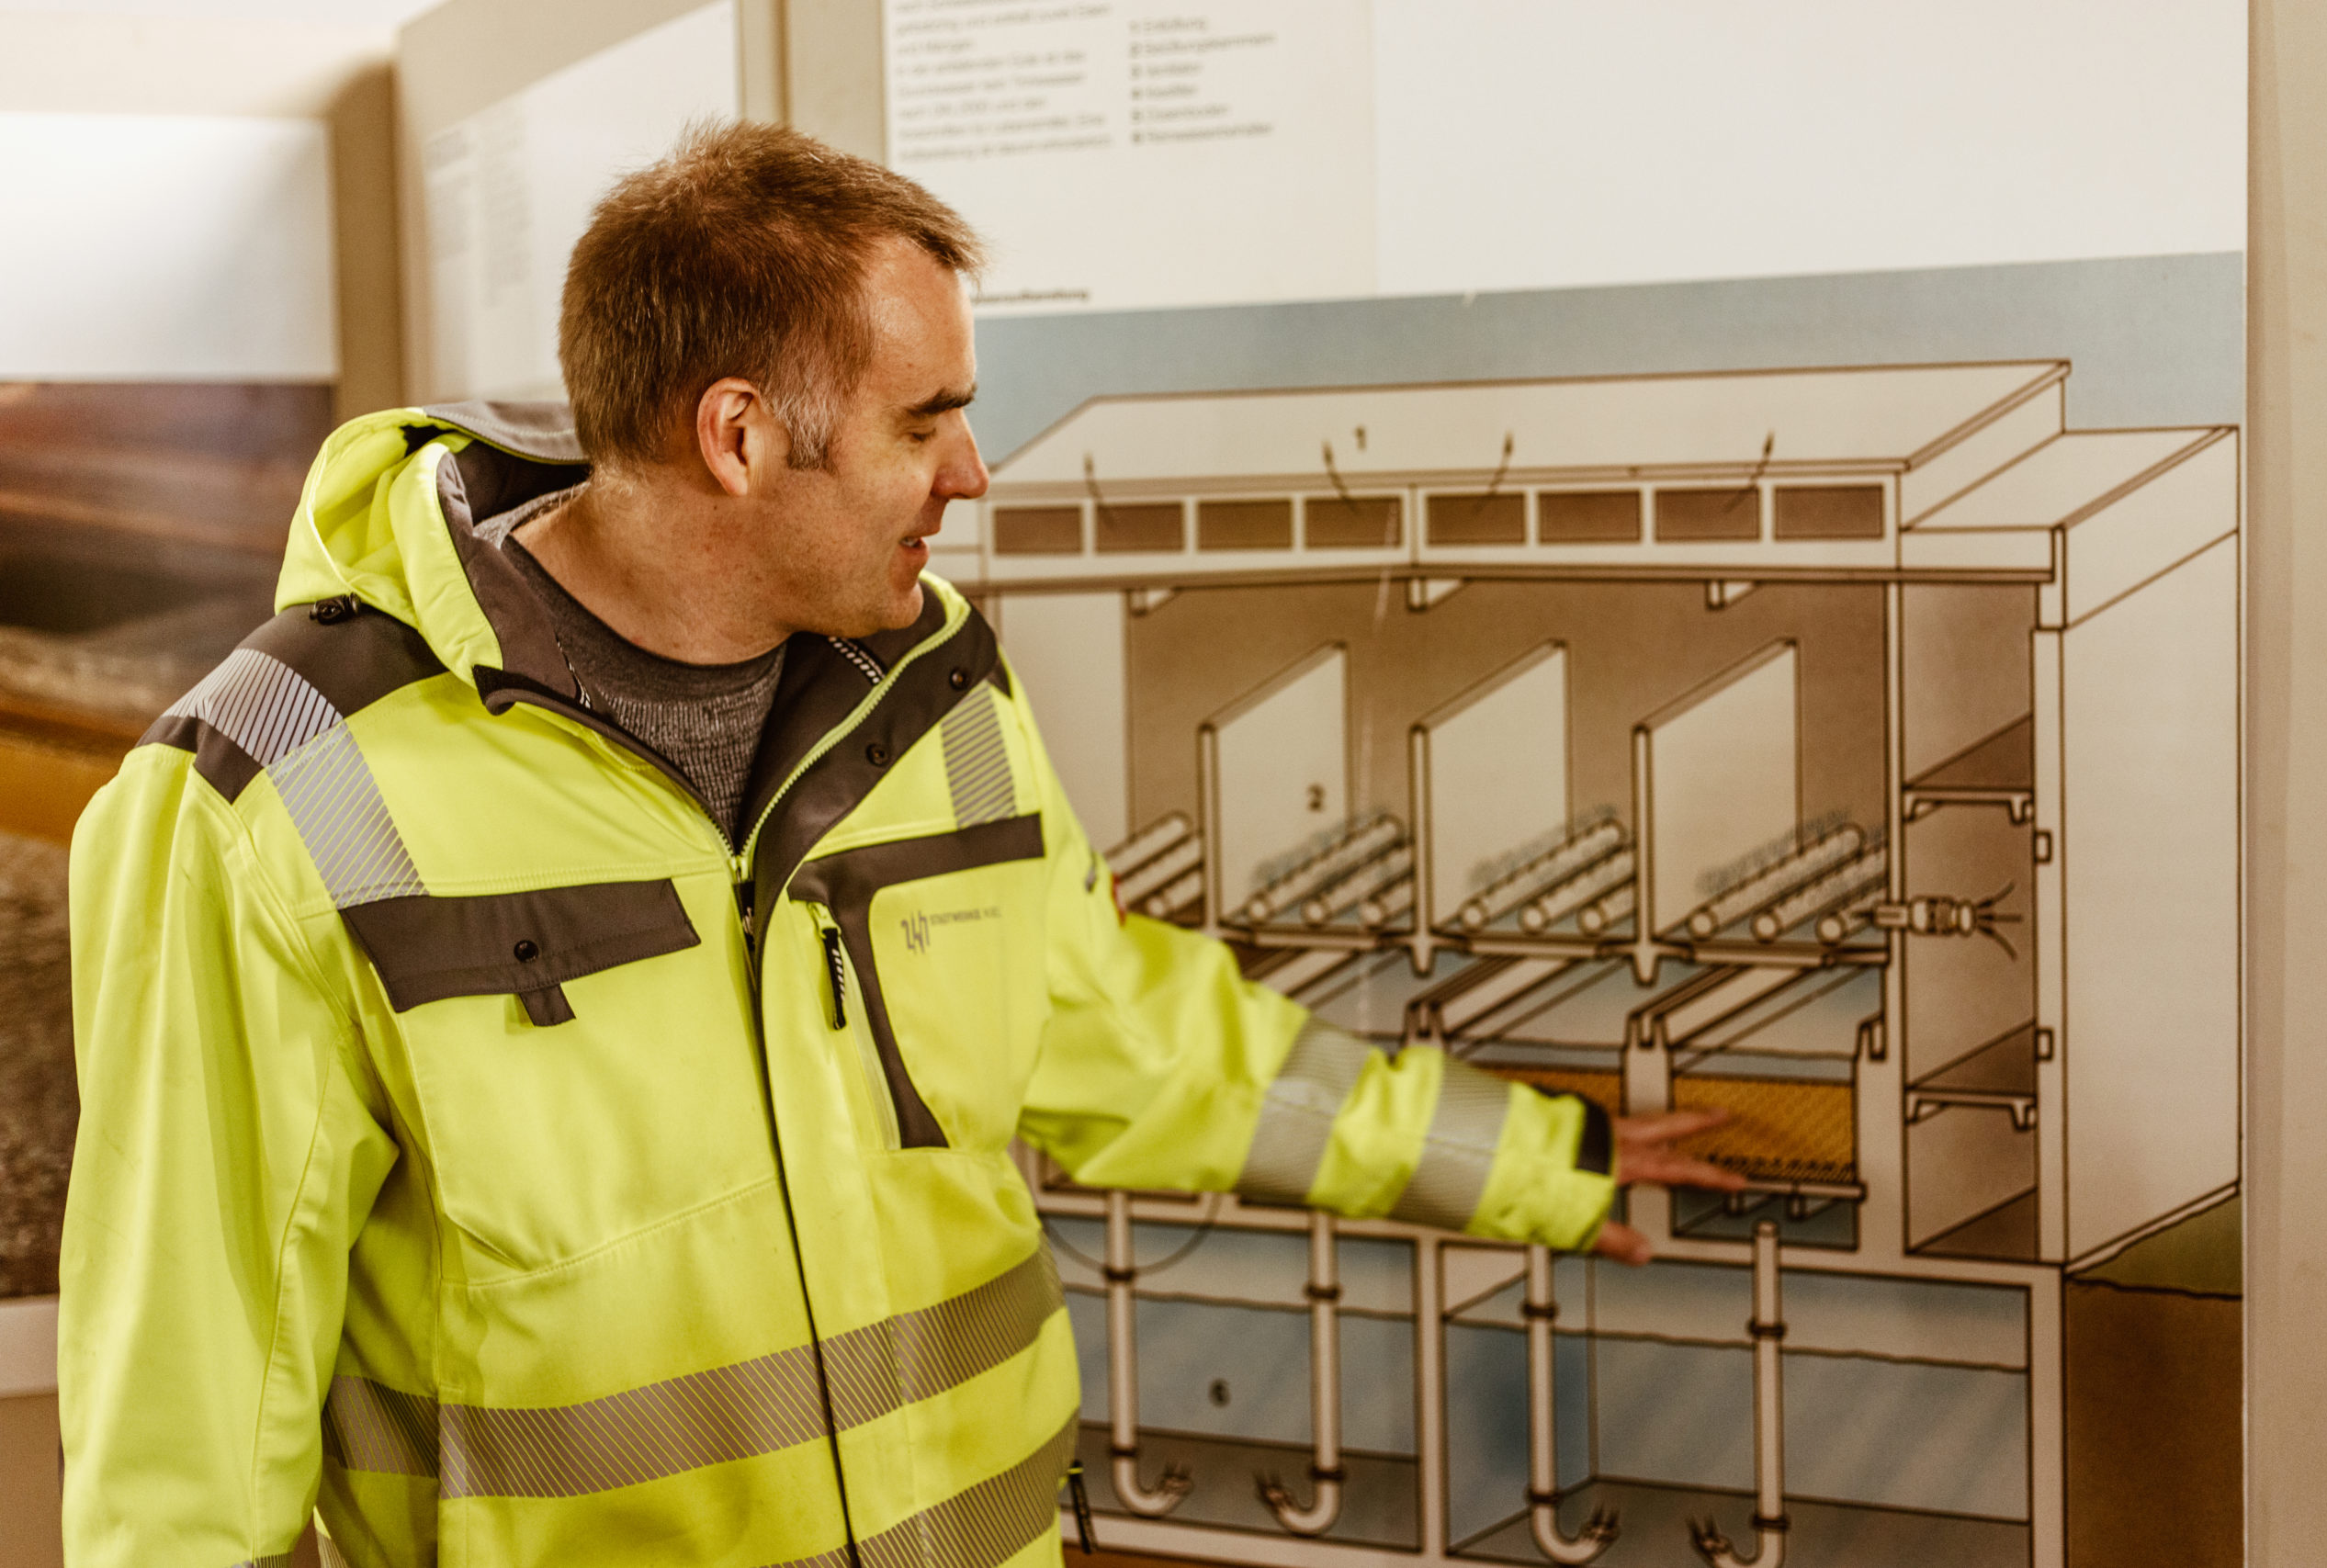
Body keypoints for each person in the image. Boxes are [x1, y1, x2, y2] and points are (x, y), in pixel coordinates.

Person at [59, 122, 1738, 1568]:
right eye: (923, 420)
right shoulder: (273, 799)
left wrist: (1541, 1162)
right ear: (738, 436)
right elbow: (187, 1429)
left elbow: (1133, 1041)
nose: (974, 471)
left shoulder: (933, 694)